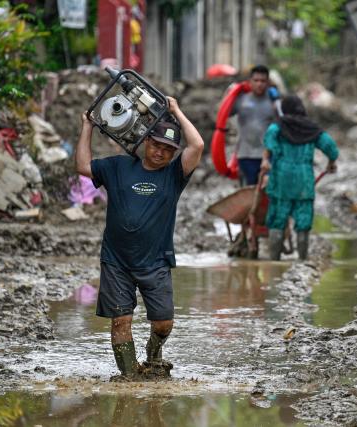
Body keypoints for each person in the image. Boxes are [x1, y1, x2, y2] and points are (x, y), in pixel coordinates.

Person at [75, 97, 204, 378]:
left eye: (168, 149)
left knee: (163, 324)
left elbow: (198, 146)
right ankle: (130, 377)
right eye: (156, 144)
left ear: (173, 154)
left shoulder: (174, 175)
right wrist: (87, 126)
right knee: (120, 321)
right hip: (116, 261)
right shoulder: (118, 166)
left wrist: (177, 111)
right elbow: (84, 166)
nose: (160, 152)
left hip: (155, 262)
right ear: (146, 141)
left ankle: (153, 350)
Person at [260, 95, 339, 261]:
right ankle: (303, 259)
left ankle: (274, 260)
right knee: (303, 220)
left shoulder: (278, 126)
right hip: (304, 179)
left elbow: (269, 141)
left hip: (281, 177)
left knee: (277, 218)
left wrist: (266, 160)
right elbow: (331, 147)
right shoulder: (312, 129)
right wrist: (331, 162)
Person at [230, 64, 278, 186]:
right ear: (250, 82)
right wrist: (228, 94)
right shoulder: (241, 100)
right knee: (248, 193)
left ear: (268, 82)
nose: (259, 84)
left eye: (263, 81)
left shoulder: (275, 103)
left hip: (268, 155)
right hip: (246, 155)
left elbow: (283, 125)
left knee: (269, 191)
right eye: (256, 80)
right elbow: (223, 114)